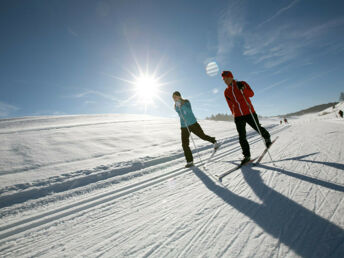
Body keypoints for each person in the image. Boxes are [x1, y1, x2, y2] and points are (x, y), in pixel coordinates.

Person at [221, 71, 271, 165]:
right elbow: (230, 104)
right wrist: (234, 114)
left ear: (231, 77)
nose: (225, 81)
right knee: (242, 136)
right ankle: (246, 156)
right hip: (238, 115)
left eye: (227, 78)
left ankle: (267, 137)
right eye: (224, 79)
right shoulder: (226, 91)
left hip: (249, 112)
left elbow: (251, 94)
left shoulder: (242, 83)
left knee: (257, 128)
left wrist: (243, 89)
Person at [172, 91, 220, 168]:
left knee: (202, 136)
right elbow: (181, 114)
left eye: (176, 97)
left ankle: (214, 141)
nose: (174, 98)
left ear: (179, 96)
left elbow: (189, 111)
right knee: (184, 144)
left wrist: (181, 105)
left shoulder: (186, 102)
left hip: (193, 123)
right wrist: (178, 107)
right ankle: (190, 161)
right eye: (173, 98)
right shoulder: (175, 106)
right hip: (184, 126)